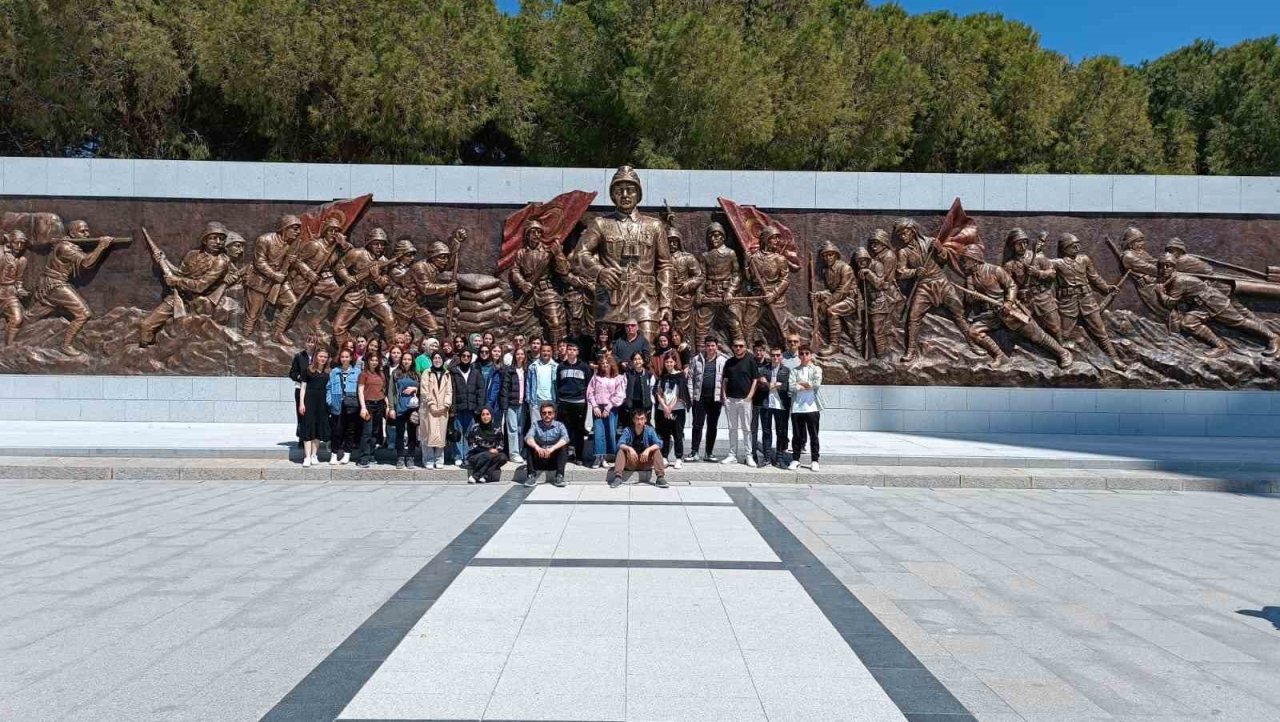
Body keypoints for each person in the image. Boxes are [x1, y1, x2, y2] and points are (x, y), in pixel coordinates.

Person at [686, 337, 726, 462]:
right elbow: (690, 379)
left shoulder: (723, 360)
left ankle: (709, 453)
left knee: (712, 426)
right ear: (705, 346)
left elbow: (726, 380)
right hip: (700, 397)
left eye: (713, 345)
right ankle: (694, 452)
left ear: (717, 346)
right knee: (697, 425)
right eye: (708, 345)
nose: (710, 348)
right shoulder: (696, 359)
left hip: (715, 398)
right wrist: (692, 396)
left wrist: (724, 396)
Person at [720, 339, 759, 467]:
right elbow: (724, 380)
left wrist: (749, 396)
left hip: (745, 400)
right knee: (732, 428)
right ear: (732, 347)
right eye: (736, 346)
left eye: (741, 346)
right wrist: (724, 396)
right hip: (730, 400)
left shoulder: (751, 361)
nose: (738, 348)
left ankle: (748, 455)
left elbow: (755, 380)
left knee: (747, 428)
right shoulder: (729, 362)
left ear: (745, 347)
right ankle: (732, 454)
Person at [554, 342, 593, 465]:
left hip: (579, 402)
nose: (571, 351)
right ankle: (564, 456)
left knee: (579, 430)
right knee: (564, 430)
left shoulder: (584, 367)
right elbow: (558, 384)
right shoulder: (561, 366)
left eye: (573, 349)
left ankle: (579, 456)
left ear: (577, 352)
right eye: (569, 349)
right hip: (564, 402)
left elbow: (588, 384)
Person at [608, 410, 667, 489]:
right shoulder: (628, 430)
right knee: (622, 450)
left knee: (656, 450)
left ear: (645, 420)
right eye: (637, 419)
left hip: (645, 462)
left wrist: (648, 449)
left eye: (642, 419)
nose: (639, 421)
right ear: (633, 420)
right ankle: (618, 477)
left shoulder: (650, 430)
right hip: (631, 462)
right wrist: (630, 448)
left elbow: (659, 444)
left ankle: (660, 478)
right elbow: (619, 444)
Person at [586, 353, 626, 468]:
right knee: (599, 432)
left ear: (611, 365)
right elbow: (590, 392)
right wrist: (594, 406)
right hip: (598, 407)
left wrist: (608, 408)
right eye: (602, 363)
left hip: (611, 408)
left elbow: (620, 394)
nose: (604, 365)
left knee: (610, 432)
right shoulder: (596, 378)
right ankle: (598, 457)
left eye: (607, 363)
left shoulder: (618, 378)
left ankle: (606, 457)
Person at [787, 345, 823, 472]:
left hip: (812, 408)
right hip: (797, 408)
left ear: (811, 355)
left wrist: (802, 384)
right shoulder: (794, 370)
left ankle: (815, 460)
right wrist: (804, 385)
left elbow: (816, 384)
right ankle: (795, 459)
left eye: (807, 353)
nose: (804, 356)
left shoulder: (816, 369)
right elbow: (791, 386)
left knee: (814, 435)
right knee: (797, 435)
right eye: (801, 354)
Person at [450, 348, 486, 465]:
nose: (466, 358)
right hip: (458, 408)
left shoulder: (475, 372)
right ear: (460, 357)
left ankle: (468, 456)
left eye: (468, 356)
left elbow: (481, 390)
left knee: (469, 433)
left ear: (471, 358)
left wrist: (479, 407)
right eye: (464, 356)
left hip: (471, 408)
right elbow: (451, 391)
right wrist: (452, 408)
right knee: (458, 432)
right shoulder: (454, 372)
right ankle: (458, 455)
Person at [296, 348, 332, 468]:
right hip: (309, 401)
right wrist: (301, 403)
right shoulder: (308, 370)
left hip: (322, 402)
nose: (322, 359)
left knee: (318, 428)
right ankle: (306, 457)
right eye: (321, 356)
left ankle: (314, 455)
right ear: (316, 357)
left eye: (325, 357)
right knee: (308, 427)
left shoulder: (328, 371)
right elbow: (303, 387)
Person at [654, 351, 689, 470]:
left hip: (677, 409)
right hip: (663, 409)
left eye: (671, 362)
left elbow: (680, 394)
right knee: (665, 434)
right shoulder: (662, 376)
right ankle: (664, 457)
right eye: (667, 362)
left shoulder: (680, 376)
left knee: (677, 434)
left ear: (675, 362)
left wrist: (670, 408)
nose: (669, 364)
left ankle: (678, 458)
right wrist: (664, 406)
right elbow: (658, 393)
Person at [326, 347, 361, 465]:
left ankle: (347, 454)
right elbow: (329, 387)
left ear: (351, 358)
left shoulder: (357, 372)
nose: (344, 359)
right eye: (342, 357)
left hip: (352, 404)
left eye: (347, 357)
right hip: (337, 403)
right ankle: (334, 454)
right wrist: (329, 401)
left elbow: (360, 389)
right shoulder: (334, 371)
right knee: (337, 430)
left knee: (350, 430)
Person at [758, 347, 792, 467]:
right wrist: (772, 385)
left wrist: (767, 383)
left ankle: (779, 458)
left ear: (781, 356)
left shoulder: (786, 371)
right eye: (773, 355)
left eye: (778, 355)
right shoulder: (763, 369)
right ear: (770, 356)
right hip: (766, 404)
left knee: (780, 432)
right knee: (766, 432)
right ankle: (767, 457)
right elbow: (761, 386)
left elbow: (786, 387)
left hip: (781, 405)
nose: (775, 357)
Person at [419, 351, 453, 469]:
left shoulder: (447, 374)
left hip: (442, 408)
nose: (437, 360)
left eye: (439, 358)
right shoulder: (426, 373)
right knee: (428, 433)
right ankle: (428, 459)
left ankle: (439, 459)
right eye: (435, 358)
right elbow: (424, 390)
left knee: (441, 434)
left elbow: (449, 391)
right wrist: (431, 404)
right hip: (428, 409)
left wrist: (446, 405)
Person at [524, 402, 569, 487]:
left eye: (549, 412)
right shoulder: (536, 425)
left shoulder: (560, 426)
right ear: (540, 414)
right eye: (544, 413)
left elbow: (565, 438)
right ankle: (531, 476)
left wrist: (552, 449)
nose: (547, 415)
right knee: (530, 445)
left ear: (554, 414)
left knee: (563, 446)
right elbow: (528, 437)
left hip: (554, 460)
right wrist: (538, 448)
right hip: (540, 458)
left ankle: (559, 476)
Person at [356, 352, 388, 468]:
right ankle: (363, 457)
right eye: (372, 360)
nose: (374, 362)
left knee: (375, 432)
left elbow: (383, 391)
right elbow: (360, 391)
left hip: (379, 404)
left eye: (376, 360)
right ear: (368, 361)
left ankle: (371, 454)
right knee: (367, 432)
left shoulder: (381, 374)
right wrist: (363, 407)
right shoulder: (363, 374)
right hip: (368, 405)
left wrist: (387, 405)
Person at [389, 351, 420, 469]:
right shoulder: (396, 373)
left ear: (412, 361)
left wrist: (415, 388)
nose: (406, 361)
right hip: (400, 407)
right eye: (405, 359)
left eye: (409, 359)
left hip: (413, 408)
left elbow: (423, 388)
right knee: (400, 433)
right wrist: (391, 408)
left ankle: (411, 456)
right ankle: (400, 457)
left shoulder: (416, 374)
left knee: (412, 433)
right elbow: (391, 391)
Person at [499, 347, 530, 464]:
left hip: (523, 404)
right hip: (512, 404)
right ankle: (513, 453)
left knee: (521, 429)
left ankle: (520, 451)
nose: (520, 356)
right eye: (518, 354)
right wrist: (504, 406)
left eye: (522, 354)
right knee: (512, 429)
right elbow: (504, 389)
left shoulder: (527, 370)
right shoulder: (509, 370)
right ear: (514, 356)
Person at [289, 333, 319, 447]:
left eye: (313, 342)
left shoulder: (319, 356)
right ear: (305, 343)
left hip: (314, 390)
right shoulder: (299, 356)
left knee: (313, 415)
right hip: (300, 388)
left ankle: (313, 437)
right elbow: (292, 373)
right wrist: (300, 377)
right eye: (309, 341)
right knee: (301, 413)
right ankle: (302, 438)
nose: (311, 344)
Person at [465, 407, 508, 483]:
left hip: (492, 455)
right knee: (487, 455)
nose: (485, 417)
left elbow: (501, 444)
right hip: (476, 456)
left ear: (491, 415)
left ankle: (484, 475)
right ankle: (476, 475)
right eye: (483, 415)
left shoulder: (497, 428)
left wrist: (497, 450)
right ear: (480, 416)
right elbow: (472, 446)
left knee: (503, 457)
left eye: (488, 414)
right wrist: (488, 451)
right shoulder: (475, 428)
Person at [620, 351, 655, 429]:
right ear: (632, 361)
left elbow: (652, 389)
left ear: (643, 361)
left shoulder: (649, 374)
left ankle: (645, 440)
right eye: (635, 359)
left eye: (639, 359)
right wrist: (625, 400)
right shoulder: (627, 374)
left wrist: (651, 400)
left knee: (645, 424)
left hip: (645, 403)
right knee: (631, 424)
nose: (637, 361)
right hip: (632, 403)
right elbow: (623, 388)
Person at [527, 342, 558, 423]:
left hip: (551, 400)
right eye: (544, 351)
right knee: (536, 426)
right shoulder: (533, 366)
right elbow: (528, 384)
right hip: (536, 401)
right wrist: (529, 399)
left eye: (548, 351)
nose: (546, 353)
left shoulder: (556, 367)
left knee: (551, 425)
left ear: (552, 352)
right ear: (540, 351)